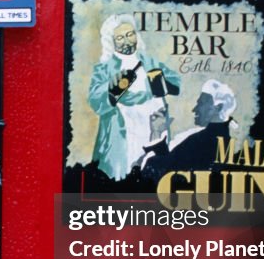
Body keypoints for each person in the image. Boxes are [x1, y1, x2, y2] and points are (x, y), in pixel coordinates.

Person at [87, 14, 180, 180]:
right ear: (111, 41)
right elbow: (95, 100)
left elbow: (176, 83)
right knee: (124, 177)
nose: (127, 41)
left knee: (153, 172)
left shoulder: (150, 62)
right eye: (120, 37)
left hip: (154, 126)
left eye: (130, 34)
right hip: (124, 131)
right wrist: (111, 89)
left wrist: (161, 84)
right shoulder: (105, 68)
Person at [140, 78, 236, 181]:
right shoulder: (212, 139)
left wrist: (156, 135)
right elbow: (171, 164)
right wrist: (157, 131)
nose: (194, 109)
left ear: (218, 107)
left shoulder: (204, 141)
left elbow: (163, 172)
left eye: (201, 103)